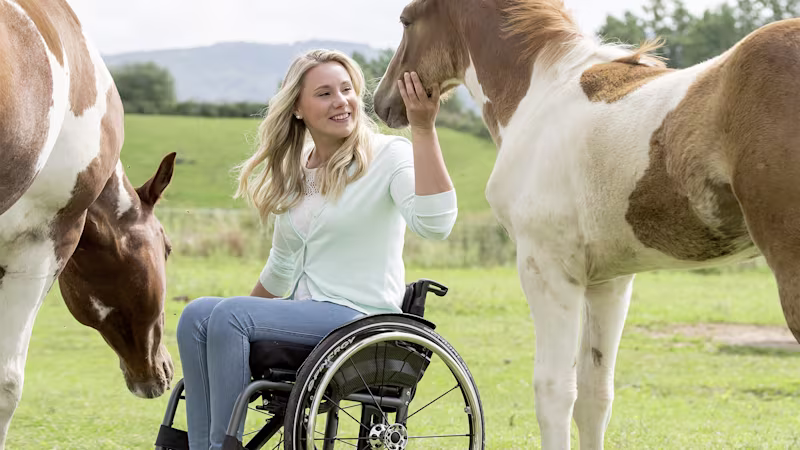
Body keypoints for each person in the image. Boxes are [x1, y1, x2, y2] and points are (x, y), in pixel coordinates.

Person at [175, 49, 457, 449]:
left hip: (360, 317)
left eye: (346, 90)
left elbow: (436, 224)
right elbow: (281, 268)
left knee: (229, 316)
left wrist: (423, 130)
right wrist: (235, 316)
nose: (341, 102)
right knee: (196, 314)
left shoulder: (388, 156)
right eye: (324, 94)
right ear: (298, 109)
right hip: (307, 313)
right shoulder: (299, 172)